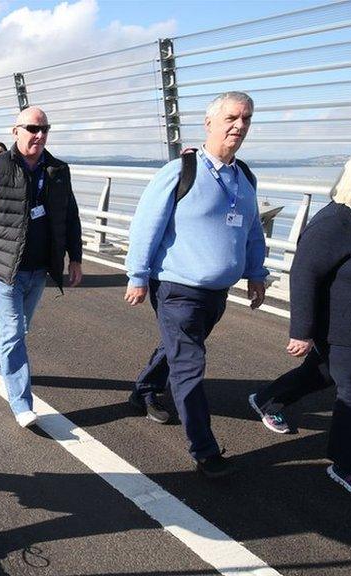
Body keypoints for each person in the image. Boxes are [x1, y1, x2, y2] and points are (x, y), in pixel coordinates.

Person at [124, 91, 268, 478]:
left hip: (217, 292)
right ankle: (204, 449)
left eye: (246, 119)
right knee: (190, 364)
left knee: (179, 348)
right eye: (232, 118)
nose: (239, 125)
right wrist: (137, 275)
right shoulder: (181, 171)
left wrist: (257, 272)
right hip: (177, 288)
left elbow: (253, 230)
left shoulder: (244, 177)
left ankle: (143, 390)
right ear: (210, 123)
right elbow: (146, 225)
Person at [249, 150, 351, 505]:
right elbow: (305, 274)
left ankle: (268, 398)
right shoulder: (337, 221)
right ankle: (350, 466)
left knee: (324, 371)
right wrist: (301, 330)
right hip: (345, 325)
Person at [0, 107, 83, 428]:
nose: (39, 134)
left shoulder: (58, 170)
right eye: (32, 128)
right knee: (15, 331)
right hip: (6, 269)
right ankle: (21, 404)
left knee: (17, 330)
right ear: (16, 130)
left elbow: (70, 216)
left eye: (44, 128)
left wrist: (76, 257)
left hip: (40, 268)